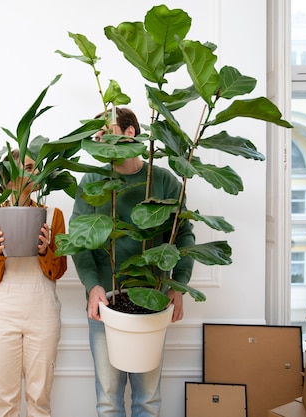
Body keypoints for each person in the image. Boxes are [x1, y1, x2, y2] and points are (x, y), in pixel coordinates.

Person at [71, 108, 195, 417]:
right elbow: (78, 239)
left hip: (151, 302)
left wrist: (177, 285)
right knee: (108, 399)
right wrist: (92, 286)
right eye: (97, 137)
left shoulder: (164, 181)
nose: (102, 142)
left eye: (107, 133)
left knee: (148, 399)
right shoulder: (94, 181)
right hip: (106, 304)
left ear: (130, 133)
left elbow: (184, 235)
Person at [0, 150, 67, 417]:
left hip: (43, 316)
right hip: (2, 317)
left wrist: (44, 250)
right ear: (7, 177)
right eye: (26, 168)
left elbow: (58, 271)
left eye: (35, 167)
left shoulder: (53, 217)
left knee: (40, 402)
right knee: (5, 402)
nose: (35, 172)